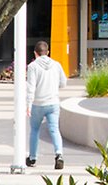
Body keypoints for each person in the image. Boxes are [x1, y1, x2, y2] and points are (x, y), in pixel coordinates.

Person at [26, 41, 67, 170]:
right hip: (53, 102)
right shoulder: (56, 65)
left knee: (34, 130)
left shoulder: (33, 66)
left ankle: (32, 158)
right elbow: (63, 83)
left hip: (38, 103)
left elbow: (31, 87)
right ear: (48, 52)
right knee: (54, 129)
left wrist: (28, 104)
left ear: (35, 53)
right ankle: (59, 154)